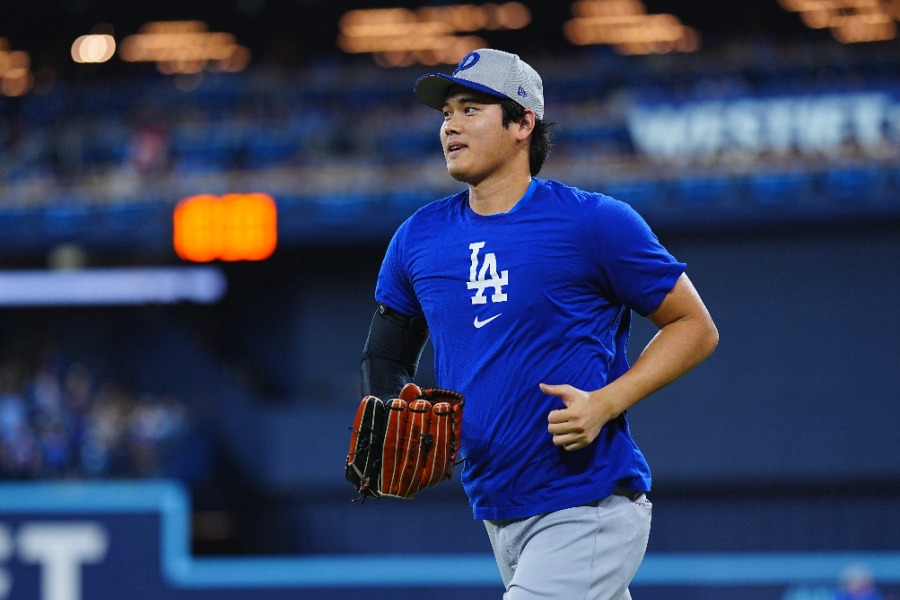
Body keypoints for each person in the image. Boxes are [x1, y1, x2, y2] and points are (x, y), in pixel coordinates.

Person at [360, 48, 719, 600]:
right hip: (498, 511)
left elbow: (694, 326)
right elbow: (386, 354)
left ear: (523, 123)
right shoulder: (418, 237)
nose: (451, 124)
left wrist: (607, 401)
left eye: (472, 108)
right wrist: (393, 410)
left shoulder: (594, 222)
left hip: (586, 504)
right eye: (446, 112)